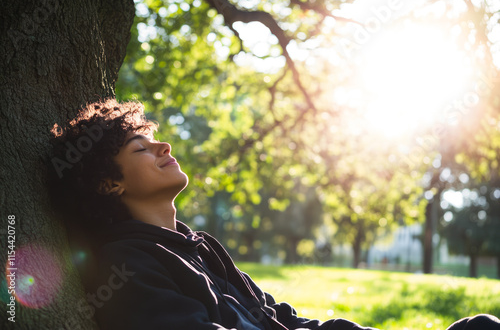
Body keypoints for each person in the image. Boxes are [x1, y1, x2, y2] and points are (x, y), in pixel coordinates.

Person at [49, 99, 500, 330]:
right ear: (112, 183)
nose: (164, 146)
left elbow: (276, 314)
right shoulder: (124, 265)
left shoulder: (199, 247)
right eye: (141, 148)